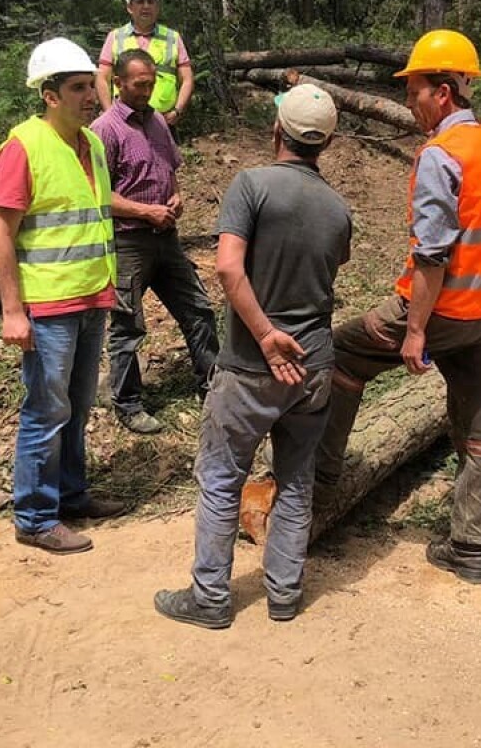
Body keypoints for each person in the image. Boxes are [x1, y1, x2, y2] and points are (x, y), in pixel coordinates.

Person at [313, 29, 481, 585]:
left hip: (444, 312)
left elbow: (431, 255)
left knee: (342, 353)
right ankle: (474, 548)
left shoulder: (441, 156)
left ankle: (317, 489)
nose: (409, 103)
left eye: (413, 91)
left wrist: (415, 331)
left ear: (443, 92)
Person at [154, 84, 352, 629]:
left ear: (276, 132)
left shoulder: (251, 186)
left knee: (221, 477)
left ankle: (212, 599)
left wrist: (264, 334)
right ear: (327, 142)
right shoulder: (337, 208)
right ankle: (285, 594)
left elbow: (227, 268)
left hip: (250, 364)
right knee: (295, 479)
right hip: (312, 366)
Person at [0, 38, 127, 555]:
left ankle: (71, 494)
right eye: (77, 88)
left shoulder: (91, 144)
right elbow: (2, 231)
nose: (91, 95)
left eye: (91, 85)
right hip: (47, 308)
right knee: (46, 411)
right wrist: (12, 311)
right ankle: (34, 515)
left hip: (92, 297)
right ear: (49, 95)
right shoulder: (23, 146)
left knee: (78, 405)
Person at [91, 48, 220, 436]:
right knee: (128, 325)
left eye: (152, 83)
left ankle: (212, 387)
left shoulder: (158, 123)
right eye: (139, 84)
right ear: (119, 84)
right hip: (128, 243)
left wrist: (175, 195)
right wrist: (145, 212)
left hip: (166, 238)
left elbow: (169, 169)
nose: (147, 90)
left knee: (199, 310)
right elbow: (98, 196)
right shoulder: (105, 130)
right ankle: (128, 403)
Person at [96, 0, 195, 128]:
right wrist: (110, 114)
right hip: (125, 122)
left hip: (163, 122)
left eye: (151, 1)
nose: (146, 6)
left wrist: (177, 111)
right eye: (140, 1)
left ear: (157, 6)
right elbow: (102, 78)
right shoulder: (116, 37)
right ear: (130, 7)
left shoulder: (172, 37)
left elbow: (187, 78)